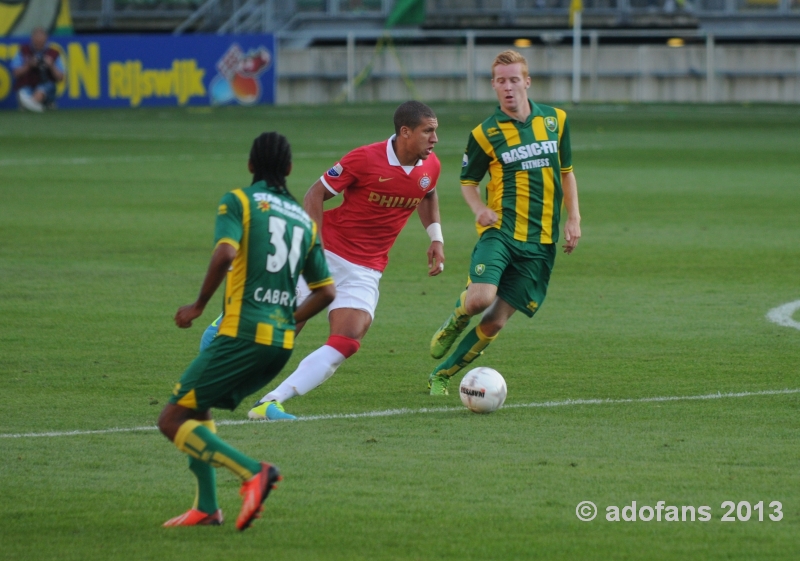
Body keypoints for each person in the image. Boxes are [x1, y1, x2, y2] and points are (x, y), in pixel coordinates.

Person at [157, 132, 335, 529]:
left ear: (251, 166)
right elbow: (326, 292)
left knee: (170, 420)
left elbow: (225, 252)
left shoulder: (239, 201)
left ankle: (253, 472)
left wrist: (199, 305)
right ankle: (206, 507)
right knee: (197, 405)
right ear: (289, 170)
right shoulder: (304, 221)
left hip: (240, 334)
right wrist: (290, 319)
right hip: (280, 343)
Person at [237, 100, 444, 420]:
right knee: (284, 329)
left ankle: (271, 402)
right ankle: (215, 371)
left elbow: (427, 192)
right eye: (428, 131)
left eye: (435, 131)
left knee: (347, 340)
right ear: (405, 132)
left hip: (367, 269)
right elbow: (314, 194)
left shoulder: (431, 166)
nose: (435, 139)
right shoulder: (364, 158)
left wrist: (436, 237)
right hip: (327, 253)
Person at [426, 50, 582, 395]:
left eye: (514, 80)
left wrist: (574, 218)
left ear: (527, 81)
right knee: (480, 299)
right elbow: (468, 181)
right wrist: (479, 208)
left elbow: (567, 174)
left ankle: (442, 375)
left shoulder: (556, 121)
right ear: (494, 86)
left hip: (540, 243)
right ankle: (456, 319)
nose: (508, 87)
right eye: (501, 81)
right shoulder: (485, 133)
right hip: (500, 233)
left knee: (495, 321)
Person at [11, 27, 65, 113]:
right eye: (36, 38)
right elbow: (15, 73)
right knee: (22, 91)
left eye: (41, 38)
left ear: (46, 38)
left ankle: (30, 103)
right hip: (27, 84)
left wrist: (51, 65)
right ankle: (34, 104)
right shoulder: (23, 51)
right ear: (32, 38)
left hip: (46, 85)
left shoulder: (54, 53)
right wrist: (29, 65)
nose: (39, 40)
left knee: (44, 88)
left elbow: (61, 77)